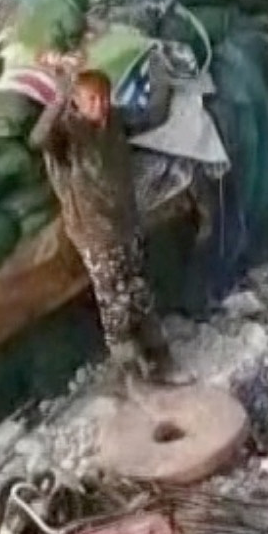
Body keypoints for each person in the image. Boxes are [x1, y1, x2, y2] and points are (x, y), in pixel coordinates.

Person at [36, 60, 168, 382]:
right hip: (95, 232)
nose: (101, 105)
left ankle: (156, 354)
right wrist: (62, 92)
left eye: (104, 97)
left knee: (137, 287)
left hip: (125, 221)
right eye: (92, 100)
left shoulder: (113, 122)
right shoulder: (66, 138)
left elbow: (152, 115)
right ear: (77, 103)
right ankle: (129, 365)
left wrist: (161, 75)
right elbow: (39, 137)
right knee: (114, 301)